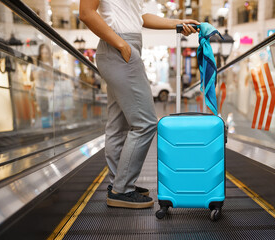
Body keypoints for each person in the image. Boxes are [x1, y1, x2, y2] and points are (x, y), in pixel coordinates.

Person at [79, 0, 199, 209]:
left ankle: (118, 185)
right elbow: (87, 13)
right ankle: (122, 189)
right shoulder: (119, 44)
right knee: (146, 123)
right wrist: (121, 44)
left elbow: (141, 17)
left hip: (125, 45)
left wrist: (177, 22)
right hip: (117, 45)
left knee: (119, 124)